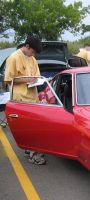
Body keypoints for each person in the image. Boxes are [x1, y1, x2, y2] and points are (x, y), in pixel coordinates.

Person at [4, 35, 46, 165]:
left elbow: (37, 76)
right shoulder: (13, 58)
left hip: (32, 96)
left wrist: (39, 80)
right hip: (20, 98)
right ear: (26, 46)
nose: (33, 54)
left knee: (35, 126)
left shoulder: (32, 59)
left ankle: (30, 150)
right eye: (33, 51)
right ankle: (33, 155)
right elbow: (7, 80)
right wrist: (27, 79)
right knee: (29, 128)